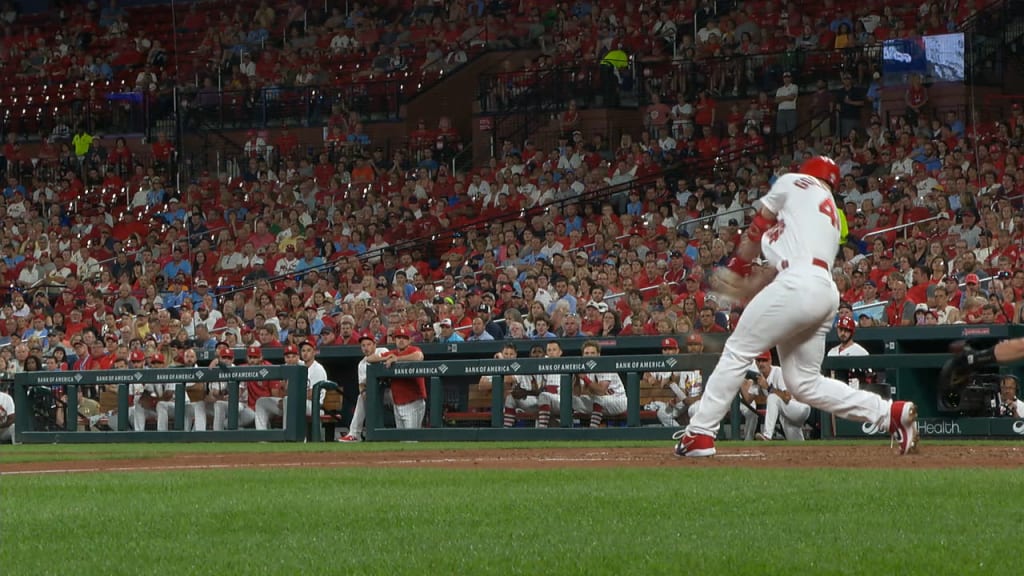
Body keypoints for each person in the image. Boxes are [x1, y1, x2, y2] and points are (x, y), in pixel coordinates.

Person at [673, 156, 918, 457]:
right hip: (822, 290)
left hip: (799, 281)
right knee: (804, 383)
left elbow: (756, 227)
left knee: (738, 349)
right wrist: (749, 282)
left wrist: (736, 266)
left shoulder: (794, 181)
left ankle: (699, 433)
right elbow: (780, 262)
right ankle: (890, 413)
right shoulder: (827, 214)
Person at [366, 327, 426, 429]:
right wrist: (387, 358)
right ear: (394, 340)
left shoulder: (413, 350)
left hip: (413, 402)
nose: (401, 340)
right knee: (401, 440)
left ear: (409, 340)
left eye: (404, 338)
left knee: (411, 439)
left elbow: (419, 356)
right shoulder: (392, 353)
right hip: (397, 403)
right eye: (398, 338)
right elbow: (369, 358)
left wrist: (397, 359)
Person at [337, 332, 390, 442]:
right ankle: (355, 433)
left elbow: (375, 358)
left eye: (369, 344)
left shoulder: (382, 351)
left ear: (375, 345)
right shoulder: (361, 364)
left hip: (390, 390)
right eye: (363, 345)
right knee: (361, 397)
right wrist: (364, 393)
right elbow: (361, 385)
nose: (366, 348)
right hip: (377, 393)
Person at [477, 343, 545, 428]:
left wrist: (492, 384)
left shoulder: (518, 366)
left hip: (520, 404)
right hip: (497, 405)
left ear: (516, 355)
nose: (508, 357)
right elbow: (482, 385)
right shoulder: (494, 365)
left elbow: (509, 379)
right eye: (506, 354)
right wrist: (502, 385)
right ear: (501, 353)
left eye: (511, 354)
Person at [752, 351, 810, 441]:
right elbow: (749, 400)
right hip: (787, 413)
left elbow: (787, 397)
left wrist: (768, 388)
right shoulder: (758, 377)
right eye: (758, 361)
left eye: (764, 360)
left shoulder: (778, 372)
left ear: (770, 361)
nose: (761, 363)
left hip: (799, 407)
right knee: (796, 444)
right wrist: (745, 382)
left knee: (772, 397)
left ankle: (767, 436)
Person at [646, 337, 703, 427]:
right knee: (663, 413)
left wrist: (692, 399)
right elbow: (683, 391)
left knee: (694, 409)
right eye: (690, 345)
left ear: (701, 347)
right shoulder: (685, 366)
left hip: (700, 401)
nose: (693, 348)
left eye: (695, 345)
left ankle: (699, 435)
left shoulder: (708, 363)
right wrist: (675, 400)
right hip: (686, 400)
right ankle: (681, 433)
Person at [574, 340, 628, 427]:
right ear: (582, 355)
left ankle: (593, 431)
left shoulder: (605, 365)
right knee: (572, 400)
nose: (589, 356)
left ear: (598, 354)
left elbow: (600, 391)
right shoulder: (584, 368)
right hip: (600, 401)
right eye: (586, 353)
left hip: (618, 401)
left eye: (592, 353)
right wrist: (576, 378)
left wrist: (585, 378)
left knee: (598, 399)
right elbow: (578, 393)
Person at [254, 344, 301, 430]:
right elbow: (279, 393)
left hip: (301, 403)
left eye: (293, 356)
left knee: (287, 400)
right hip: (285, 402)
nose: (290, 359)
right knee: (261, 402)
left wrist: (286, 396)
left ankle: (287, 434)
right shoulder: (282, 369)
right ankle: (262, 436)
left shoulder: (303, 368)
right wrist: (283, 394)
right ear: (284, 358)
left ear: (298, 357)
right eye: (288, 357)